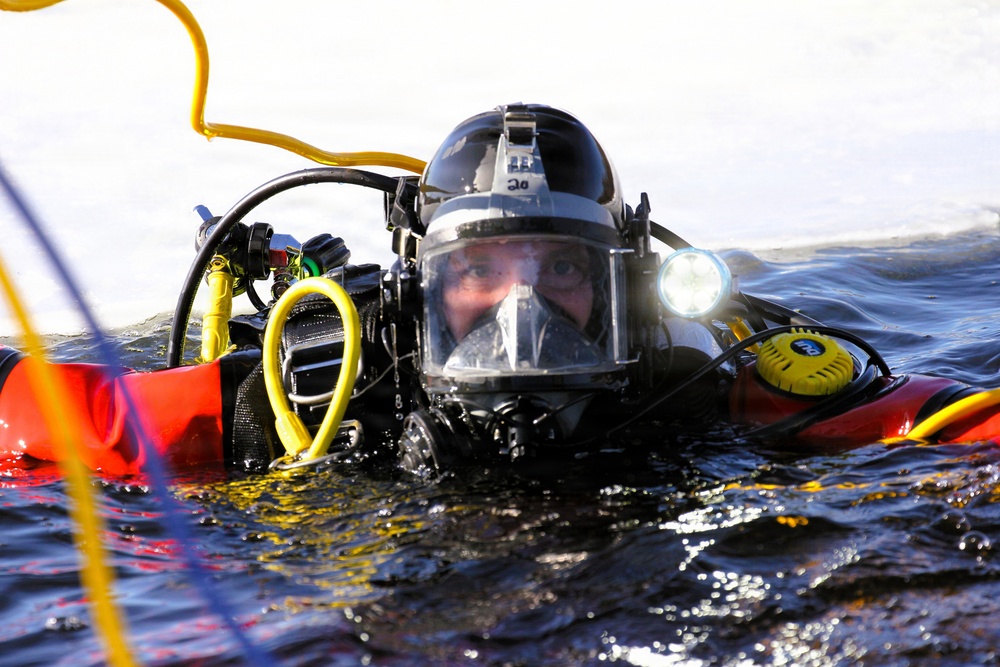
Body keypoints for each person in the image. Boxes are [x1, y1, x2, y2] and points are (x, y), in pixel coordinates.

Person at [2, 103, 1000, 477]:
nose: (522, 310)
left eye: (560, 268)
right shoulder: (326, 394)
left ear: (625, 284)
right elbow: (84, 418)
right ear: (418, 287)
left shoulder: (685, 378)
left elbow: (939, 423)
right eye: (479, 272)